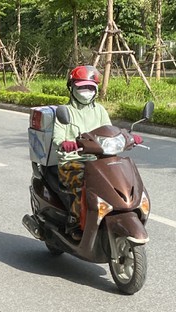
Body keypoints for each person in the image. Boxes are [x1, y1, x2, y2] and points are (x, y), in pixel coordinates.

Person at [52, 65, 142, 240]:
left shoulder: (99, 110)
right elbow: (57, 137)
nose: (86, 91)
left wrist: (127, 138)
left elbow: (109, 130)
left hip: (99, 160)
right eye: (81, 87)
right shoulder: (65, 112)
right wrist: (66, 143)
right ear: (72, 87)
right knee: (81, 184)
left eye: (90, 87)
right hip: (73, 161)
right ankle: (74, 221)